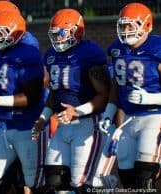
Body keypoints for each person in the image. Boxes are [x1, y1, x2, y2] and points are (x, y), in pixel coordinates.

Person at [32, 9, 111, 193]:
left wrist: (77, 111)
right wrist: (44, 117)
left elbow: (104, 95)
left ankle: (106, 187)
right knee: (54, 180)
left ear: (77, 31)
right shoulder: (52, 55)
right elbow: (55, 93)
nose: (57, 39)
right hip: (63, 124)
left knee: (82, 184)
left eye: (61, 33)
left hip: (88, 124)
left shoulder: (89, 54)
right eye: (54, 34)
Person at [98, 2, 161, 190]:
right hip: (128, 118)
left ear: (147, 26)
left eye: (131, 26)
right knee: (127, 177)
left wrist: (149, 99)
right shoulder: (118, 49)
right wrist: (109, 113)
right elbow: (116, 86)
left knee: (145, 177)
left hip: (154, 115)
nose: (126, 30)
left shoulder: (157, 49)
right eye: (123, 25)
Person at [0, 11, 45, 194]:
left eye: (1, 32)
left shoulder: (27, 54)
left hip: (26, 125)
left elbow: (33, 97)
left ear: (15, 32)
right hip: (3, 123)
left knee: (33, 182)